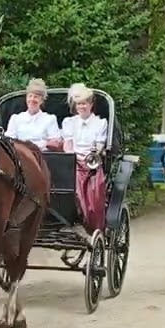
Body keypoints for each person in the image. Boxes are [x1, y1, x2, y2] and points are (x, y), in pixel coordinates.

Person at [61, 83, 109, 236]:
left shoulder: (100, 123)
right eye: (79, 104)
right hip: (74, 161)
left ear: (91, 104)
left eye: (85, 103)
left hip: (91, 163)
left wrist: (92, 156)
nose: (82, 106)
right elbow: (67, 144)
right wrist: (72, 156)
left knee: (95, 193)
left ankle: (94, 226)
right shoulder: (69, 122)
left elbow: (100, 145)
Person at [4, 78, 62, 151]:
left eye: (36, 97)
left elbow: (54, 142)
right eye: (30, 96)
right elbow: (9, 141)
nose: (32, 99)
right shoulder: (16, 118)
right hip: (20, 156)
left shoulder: (49, 119)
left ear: (41, 100)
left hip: (42, 156)